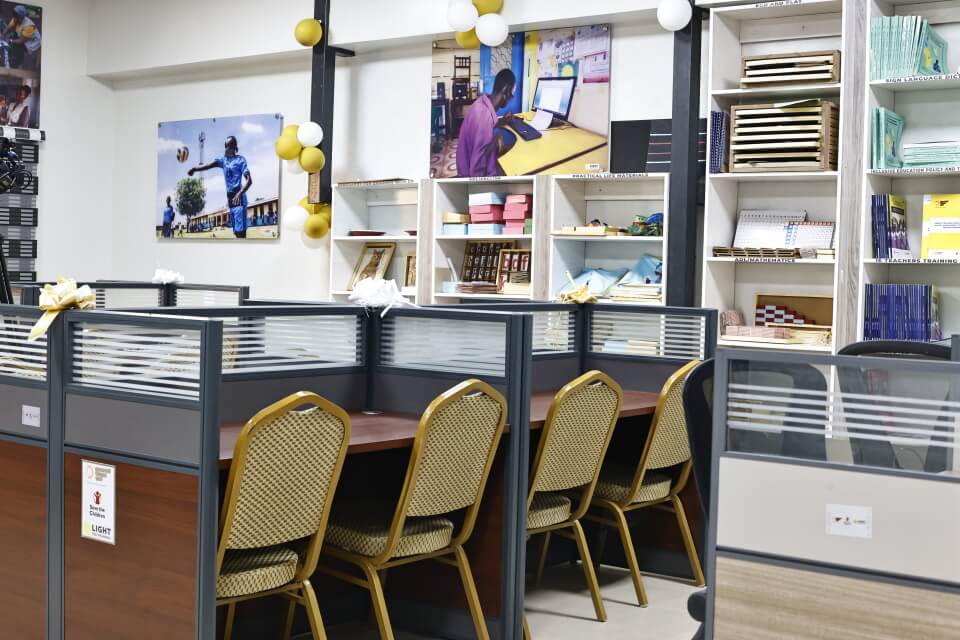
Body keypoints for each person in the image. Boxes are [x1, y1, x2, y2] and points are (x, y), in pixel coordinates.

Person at [455, 68, 517, 177]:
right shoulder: (484, 117)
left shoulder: (482, 103)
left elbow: (486, 126)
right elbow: (477, 169)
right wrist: (494, 144)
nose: (510, 98)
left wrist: (503, 121)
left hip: (466, 164)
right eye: (511, 94)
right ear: (506, 91)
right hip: (470, 175)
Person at [188, 136, 253, 238]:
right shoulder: (223, 161)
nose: (225, 148)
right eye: (225, 146)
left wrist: (240, 193)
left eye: (227, 146)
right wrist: (194, 169)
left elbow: (249, 181)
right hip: (231, 200)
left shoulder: (240, 160)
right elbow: (208, 165)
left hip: (239, 200)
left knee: (241, 235)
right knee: (236, 234)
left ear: (233, 147)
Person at [4, 5, 40, 72]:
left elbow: (21, 41)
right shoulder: (15, 19)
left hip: (32, 43)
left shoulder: (29, 26)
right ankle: (16, 60)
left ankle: (19, 65)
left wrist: (10, 40)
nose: (13, 16)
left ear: (20, 17)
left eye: (15, 15)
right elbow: (8, 27)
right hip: (23, 36)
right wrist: (3, 35)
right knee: (13, 39)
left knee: (22, 52)